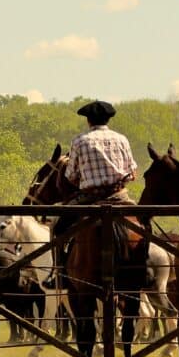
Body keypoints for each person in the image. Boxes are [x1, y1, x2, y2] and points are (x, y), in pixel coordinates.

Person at [46, 100, 137, 285]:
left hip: (90, 198)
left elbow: (71, 176)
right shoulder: (122, 139)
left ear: (88, 120)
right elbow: (132, 172)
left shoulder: (79, 141)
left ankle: (59, 273)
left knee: (58, 227)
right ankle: (144, 270)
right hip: (120, 196)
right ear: (108, 119)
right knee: (143, 224)